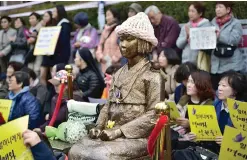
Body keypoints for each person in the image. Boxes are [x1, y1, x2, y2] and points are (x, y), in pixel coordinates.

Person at [69, 12, 162, 160]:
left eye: (129, 39)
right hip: (110, 132)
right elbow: (109, 105)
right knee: (75, 150)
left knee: (101, 155)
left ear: (143, 42)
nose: (123, 44)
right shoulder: (118, 73)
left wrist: (119, 131)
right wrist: (98, 127)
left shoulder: (152, 76)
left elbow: (153, 115)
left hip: (137, 137)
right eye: (121, 39)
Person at [172, 71, 247, 159]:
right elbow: (207, 131)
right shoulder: (216, 105)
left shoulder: (242, 111)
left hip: (230, 155)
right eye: (219, 85)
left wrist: (229, 142)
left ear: (235, 90)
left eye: (224, 86)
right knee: (178, 153)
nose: (219, 88)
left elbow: (243, 143)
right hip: (210, 149)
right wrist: (198, 135)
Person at [211, 2, 243, 90]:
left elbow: (235, 40)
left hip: (231, 65)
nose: (217, 9)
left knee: (231, 92)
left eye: (220, 7)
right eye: (216, 7)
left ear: (228, 9)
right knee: (217, 92)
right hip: (215, 65)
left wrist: (219, 35)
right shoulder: (212, 22)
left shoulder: (235, 23)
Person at [41, 5, 72, 86]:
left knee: (59, 77)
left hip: (61, 55)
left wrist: (52, 48)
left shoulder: (65, 24)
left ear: (59, 12)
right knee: (53, 76)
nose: (53, 13)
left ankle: (59, 94)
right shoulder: (58, 23)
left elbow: (62, 41)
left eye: (54, 11)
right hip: (55, 54)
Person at [95, 8, 122, 73]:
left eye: (109, 15)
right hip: (105, 64)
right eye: (106, 15)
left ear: (115, 17)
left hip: (116, 65)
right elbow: (100, 45)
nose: (107, 18)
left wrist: (115, 58)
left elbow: (122, 46)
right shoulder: (105, 30)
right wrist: (100, 56)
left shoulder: (120, 30)